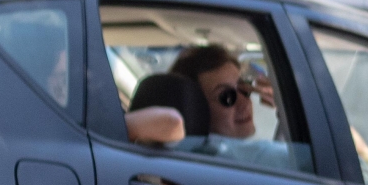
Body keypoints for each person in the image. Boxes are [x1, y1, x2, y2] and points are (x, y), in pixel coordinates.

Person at [124, 43, 292, 166]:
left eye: (244, 88)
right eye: (227, 96)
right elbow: (310, 163)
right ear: (196, 108)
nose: (244, 102)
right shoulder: (240, 156)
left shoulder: (184, 156)